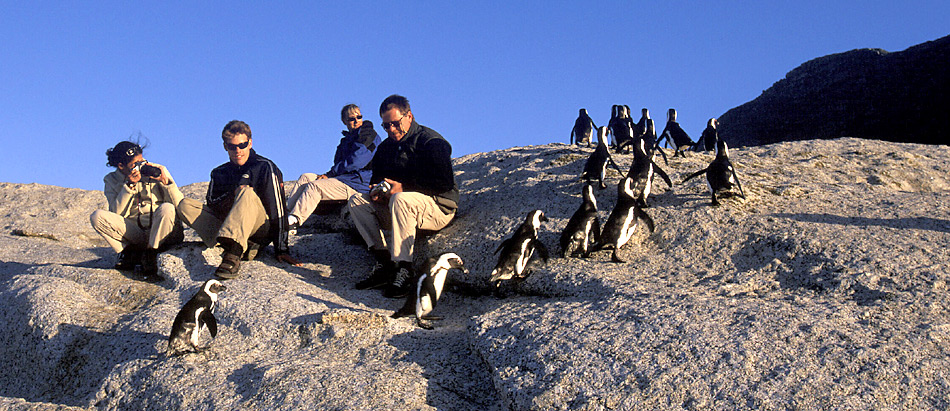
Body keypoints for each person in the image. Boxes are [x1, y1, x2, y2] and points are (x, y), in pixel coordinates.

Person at [348, 95, 459, 298]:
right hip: (400, 208)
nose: (391, 130)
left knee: (401, 198)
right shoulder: (385, 148)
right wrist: (377, 192)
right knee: (357, 201)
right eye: (386, 126)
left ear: (409, 116)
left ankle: (404, 268)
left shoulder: (432, 141)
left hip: (438, 207)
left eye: (395, 123)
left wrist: (403, 187)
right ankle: (384, 263)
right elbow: (377, 178)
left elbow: (444, 183)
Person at [177, 120, 301, 279]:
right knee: (185, 205)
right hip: (227, 224)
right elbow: (212, 204)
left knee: (246, 193)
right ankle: (227, 242)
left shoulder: (264, 167)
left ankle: (233, 254)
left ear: (250, 143)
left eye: (242, 145)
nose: (237, 150)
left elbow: (278, 209)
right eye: (232, 146)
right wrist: (232, 195)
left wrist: (281, 249)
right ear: (225, 147)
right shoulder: (219, 172)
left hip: (258, 231)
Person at [90, 140, 184, 278]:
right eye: (135, 164)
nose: (141, 166)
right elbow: (116, 214)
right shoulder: (111, 180)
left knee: (167, 208)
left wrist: (166, 182)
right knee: (97, 216)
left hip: (163, 230)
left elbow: (178, 205)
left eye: (142, 160)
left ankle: (151, 254)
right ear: (121, 166)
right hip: (136, 233)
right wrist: (128, 187)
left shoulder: (155, 171)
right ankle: (128, 253)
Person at [285, 104, 381, 233]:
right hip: (344, 179)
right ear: (345, 121)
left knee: (315, 186)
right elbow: (339, 164)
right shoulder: (345, 141)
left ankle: (294, 221)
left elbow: (357, 161)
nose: (356, 120)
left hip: (358, 183)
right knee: (306, 177)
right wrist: (329, 174)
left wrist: (330, 174)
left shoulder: (368, 135)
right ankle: (285, 215)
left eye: (359, 117)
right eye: (352, 118)